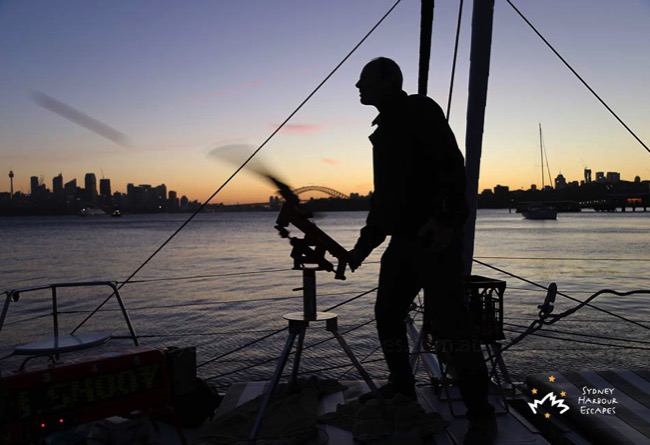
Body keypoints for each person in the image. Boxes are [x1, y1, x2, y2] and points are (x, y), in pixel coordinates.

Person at [348, 57, 497, 445]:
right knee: (387, 314)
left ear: (388, 82)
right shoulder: (384, 131)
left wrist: (445, 219)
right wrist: (361, 249)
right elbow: (386, 204)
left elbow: (452, 167)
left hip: (435, 239)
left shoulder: (419, 110)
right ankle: (402, 387)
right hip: (404, 242)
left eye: (365, 79)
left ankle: (481, 414)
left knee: (450, 328)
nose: (358, 86)